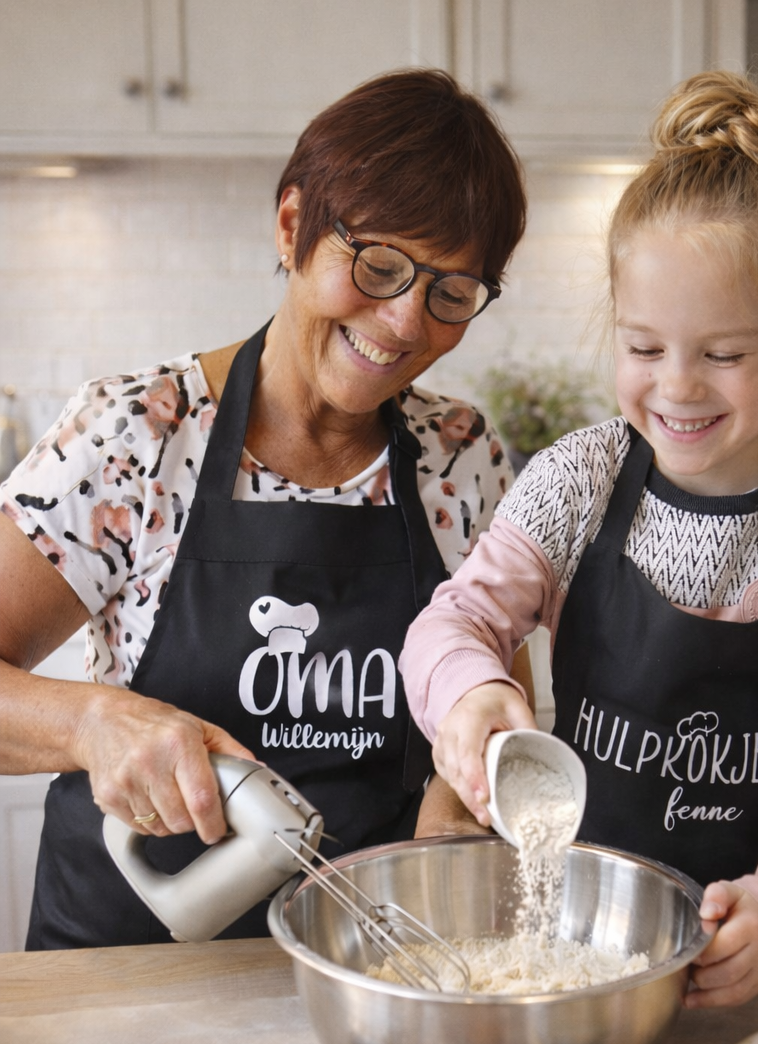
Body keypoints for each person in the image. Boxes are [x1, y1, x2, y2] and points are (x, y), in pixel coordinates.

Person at [401, 70, 758, 1009]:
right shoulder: (577, 482)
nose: (678, 386)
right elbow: (453, 622)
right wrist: (469, 692)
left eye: (724, 354)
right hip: (574, 950)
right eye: (644, 348)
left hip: (751, 953)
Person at [0, 68, 529, 949]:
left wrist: (454, 822)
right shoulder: (140, 434)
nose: (405, 323)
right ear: (293, 228)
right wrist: (91, 725)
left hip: (367, 965)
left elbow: (489, 727)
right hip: (129, 965)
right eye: (380, 265)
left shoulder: (460, 456)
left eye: (450, 293)